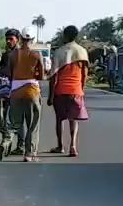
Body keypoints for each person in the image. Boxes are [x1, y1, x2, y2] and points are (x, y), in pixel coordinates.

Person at [48, 25, 90, 156]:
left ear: (64, 36)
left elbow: (53, 76)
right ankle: (73, 146)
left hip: (60, 91)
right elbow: (85, 74)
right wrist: (81, 88)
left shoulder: (59, 52)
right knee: (74, 120)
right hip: (75, 90)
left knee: (59, 119)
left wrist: (50, 95)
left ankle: (60, 146)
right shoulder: (82, 51)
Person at [8, 27, 46, 162]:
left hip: (16, 92)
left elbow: (11, 74)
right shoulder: (36, 55)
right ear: (32, 39)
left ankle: (6, 143)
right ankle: (29, 153)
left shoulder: (13, 55)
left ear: (21, 38)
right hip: (31, 91)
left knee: (16, 123)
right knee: (32, 124)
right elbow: (41, 76)